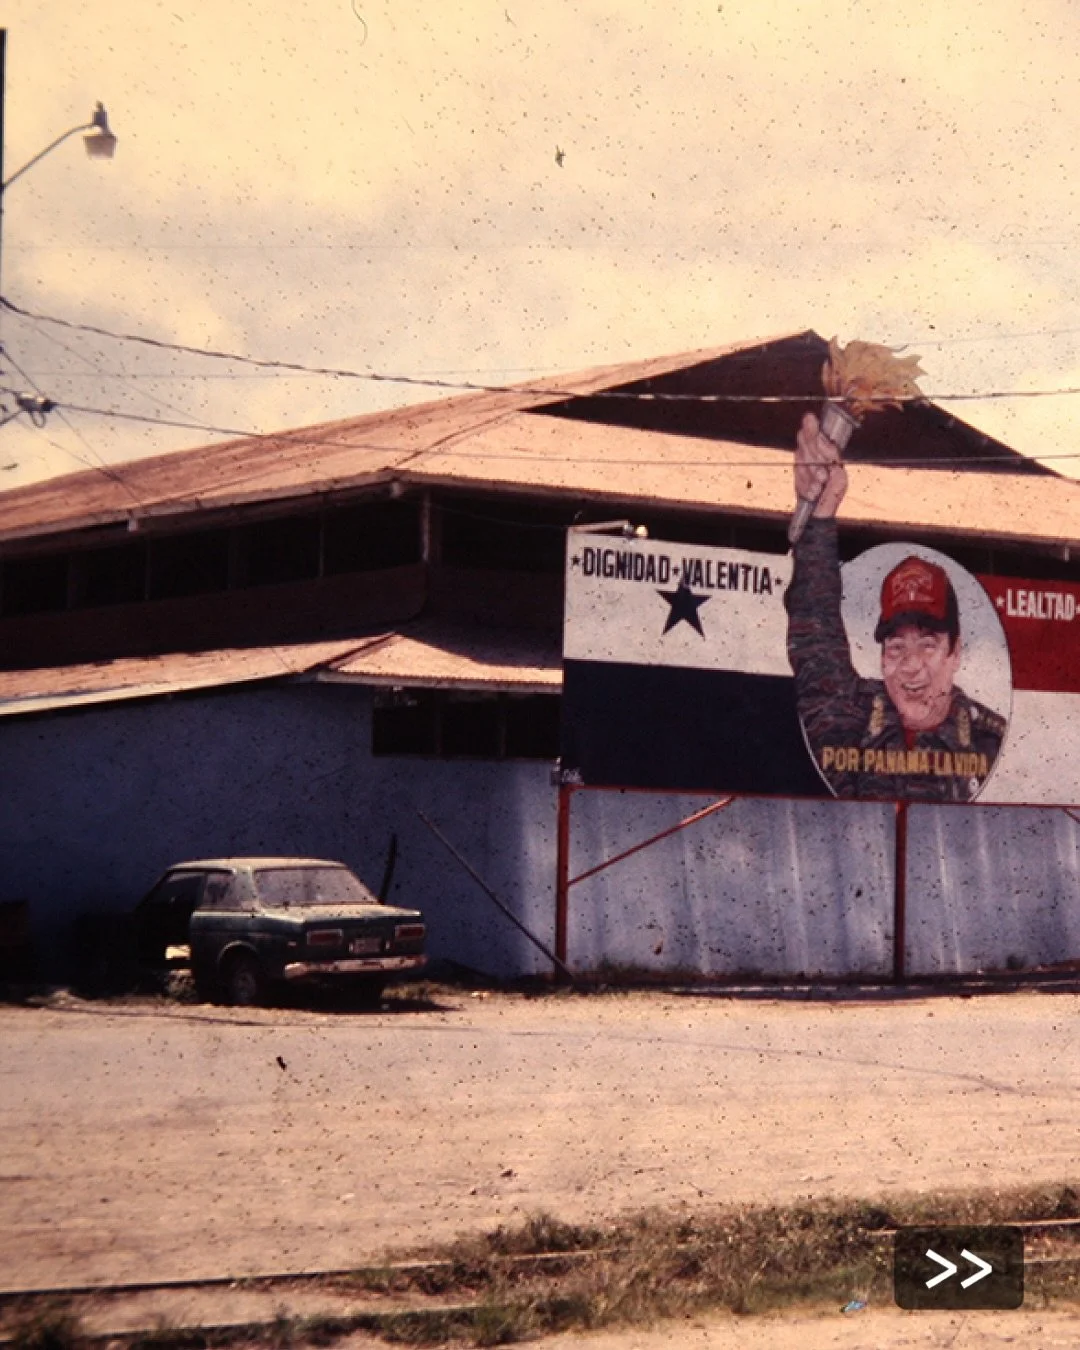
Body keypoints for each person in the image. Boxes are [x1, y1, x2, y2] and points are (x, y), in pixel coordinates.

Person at [784, 411, 1006, 801]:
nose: (911, 665)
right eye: (896, 647)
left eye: (928, 644)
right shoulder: (852, 717)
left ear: (956, 653)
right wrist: (820, 517)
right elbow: (815, 640)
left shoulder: (990, 742)